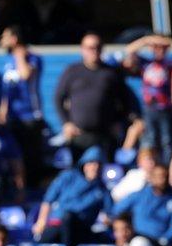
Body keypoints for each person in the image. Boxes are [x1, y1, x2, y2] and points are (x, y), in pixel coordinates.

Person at [55, 32, 140, 160]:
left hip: (105, 136)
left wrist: (118, 122)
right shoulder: (72, 71)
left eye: (97, 47)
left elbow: (125, 101)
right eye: (90, 48)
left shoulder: (111, 73)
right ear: (82, 50)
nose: (94, 51)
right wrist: (66, 123)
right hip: (78, 136)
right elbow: (58, 98)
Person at [123, 34, 172, 162]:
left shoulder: (170, 64)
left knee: (167, 139)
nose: (159, 50)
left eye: (162, 48)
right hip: (148, 108)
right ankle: (152, 164)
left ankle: (166, 165)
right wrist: (145, 41)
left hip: (165, 107)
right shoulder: (146, 63)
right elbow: (128, 51)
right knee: (150, 138)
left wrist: (170, 42)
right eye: (156, 47)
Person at [32, 146, 112, 246]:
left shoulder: (102, 190)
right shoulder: (68, 176)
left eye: (99, 164)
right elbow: (48, 199)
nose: (95, 167)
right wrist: (41, 220)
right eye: (91, 163)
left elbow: (109, 212)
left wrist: (108, 220)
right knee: (41, 244)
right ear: (84, 165)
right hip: (59, 224)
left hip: (81, 229)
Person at [0, 25, 44, 187]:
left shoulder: (32, 58)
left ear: (14, 39)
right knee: (14, 156)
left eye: (5, 36)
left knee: (30, 157)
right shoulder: (8, 61)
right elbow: (7, 88)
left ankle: (33, 189)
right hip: (13, 117)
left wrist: (20, 56)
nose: (1, 40)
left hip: (30, 117)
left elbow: (25, 75)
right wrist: (3, 110)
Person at [112, 164, 172, 246]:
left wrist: (165, 239)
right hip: (138, 240)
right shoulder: (139, 196)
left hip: (162, 245)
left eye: (165, 176)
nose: (162, 179)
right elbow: (117, 210)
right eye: (158, 176)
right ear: (150, 178)